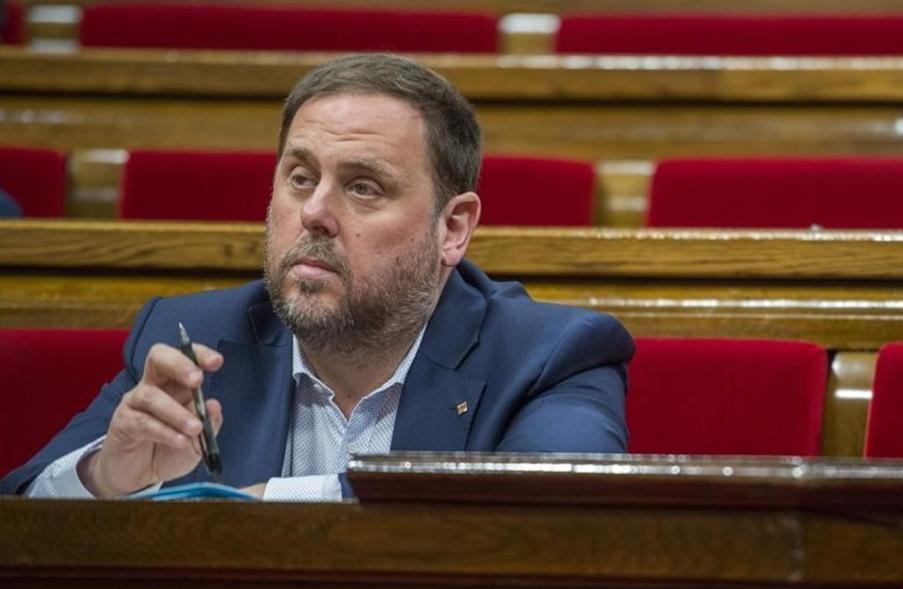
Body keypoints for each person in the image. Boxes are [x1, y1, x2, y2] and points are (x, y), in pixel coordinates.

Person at [0, 54, 633, 501]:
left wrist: (261, 505)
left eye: (363, 187)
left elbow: (560, 507)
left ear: (453, 228)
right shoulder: (195, 339)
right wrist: (105, 478)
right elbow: (25, 507)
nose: (315, 213)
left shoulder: (551, 355)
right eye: (300, 178)